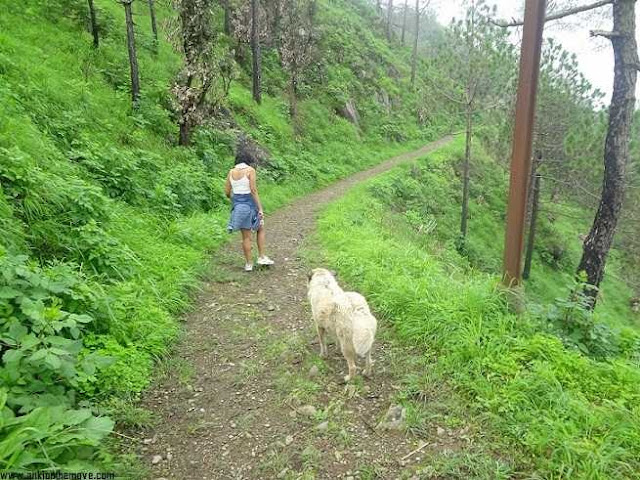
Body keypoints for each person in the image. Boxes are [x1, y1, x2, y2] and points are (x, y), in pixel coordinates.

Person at [225, 152, 275, 272]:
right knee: (260, 227)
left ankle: (248, 264)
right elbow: (253, 190)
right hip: (250, 204)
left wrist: (234, 201)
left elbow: (227, 191)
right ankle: (262, 256)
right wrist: (260, 208)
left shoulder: (231, 172)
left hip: (238, 206)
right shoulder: (250, 170)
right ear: (248, 160)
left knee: (245, 236)